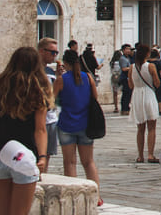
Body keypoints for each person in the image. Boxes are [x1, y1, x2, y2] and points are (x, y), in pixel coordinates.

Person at [0, 46, 51, 215]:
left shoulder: (1, 91)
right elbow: (40, 129)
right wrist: (42, 156)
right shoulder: (37, 93)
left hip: (2, 155)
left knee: (3, 212)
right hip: (25, 157)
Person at [52, 49, 102, 204]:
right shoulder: (88, 77)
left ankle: (72, 196)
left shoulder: (61, 80)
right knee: (89, 162)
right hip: (85, 123)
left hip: (67, 123)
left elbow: (51, 99)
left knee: (70, 162)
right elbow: (95, 97)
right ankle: (96, 196)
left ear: (65, 63)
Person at [129, 43, 161, 163]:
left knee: (140, 128)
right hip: (148, 94)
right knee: (151, 127)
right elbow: (157, 83)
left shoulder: (132, 67)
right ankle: (150, 154)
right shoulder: (151, 66)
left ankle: (140, 155)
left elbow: (130, 85)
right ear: (147, 54)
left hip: (137, 95)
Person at [118, 43, 134, 114]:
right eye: (127, 49)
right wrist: (132, 67)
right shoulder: (123, 58)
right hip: (125, 78)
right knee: (126, 93)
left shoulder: (129, 58)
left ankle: (127, 107)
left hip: (129, 77)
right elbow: (124, 69)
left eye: (129, 49)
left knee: (129, 93)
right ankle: (124, 108)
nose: (128, 51)